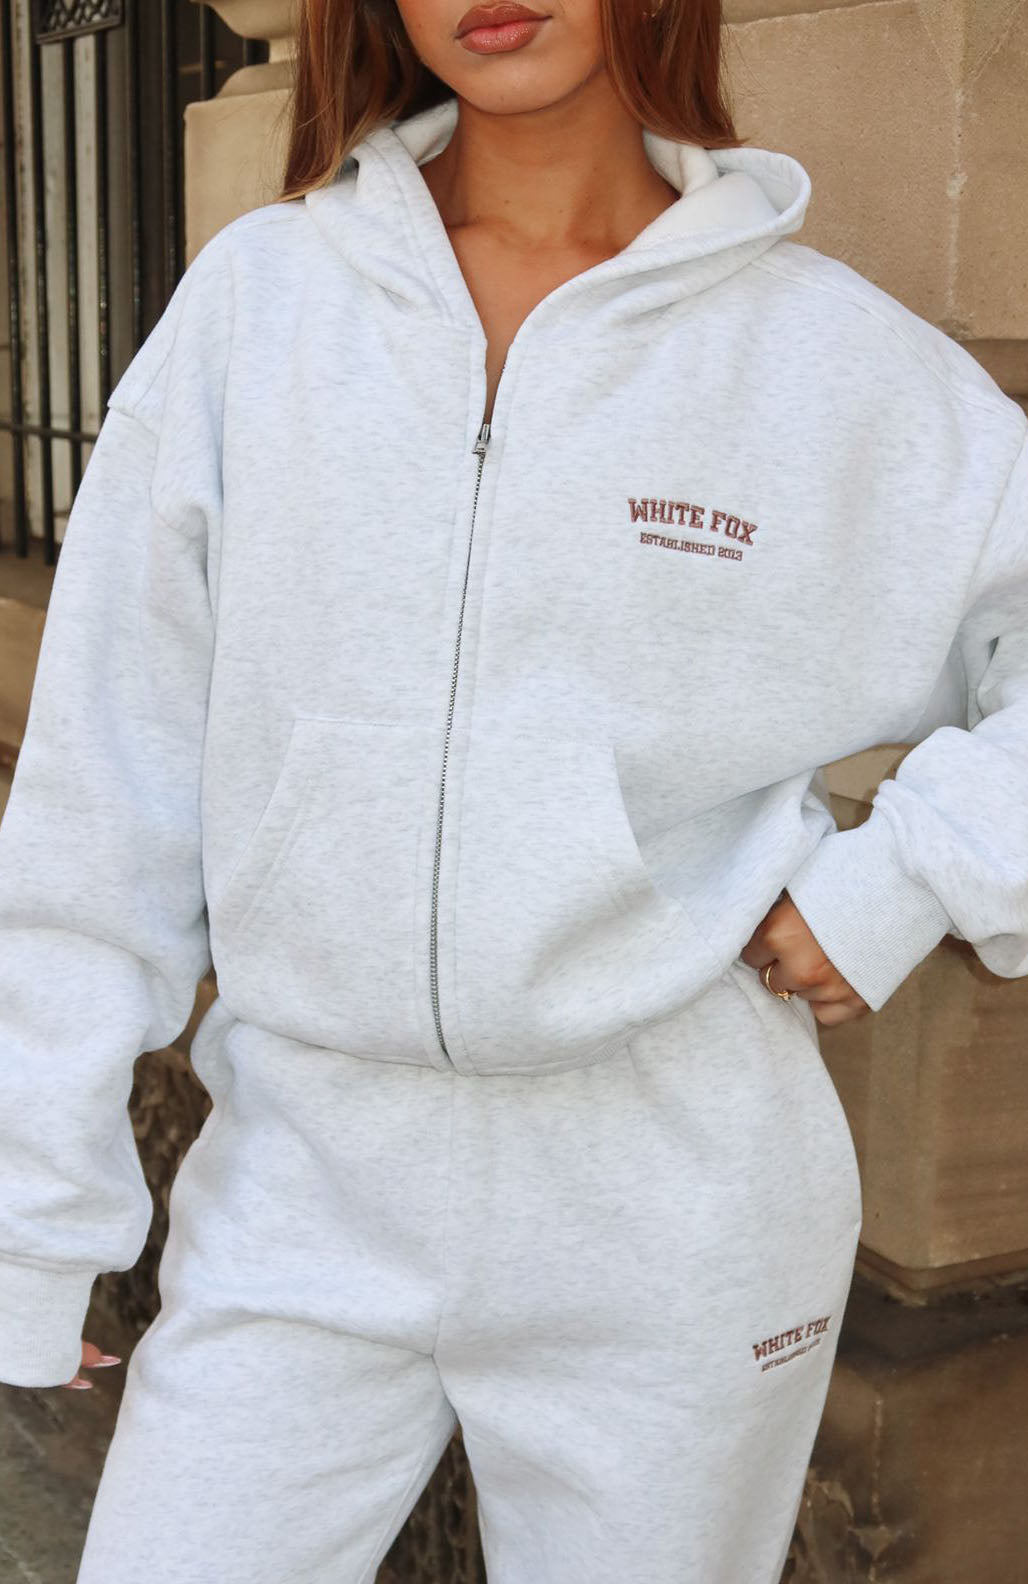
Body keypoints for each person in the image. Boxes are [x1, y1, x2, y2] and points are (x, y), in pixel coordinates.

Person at [0, 0, 1025, 1578]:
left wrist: (905, 877)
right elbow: (101, 790)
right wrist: (32, 1218)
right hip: (301, 1194)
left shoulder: (827, 361)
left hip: (678, 1220)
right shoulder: (263, 308)